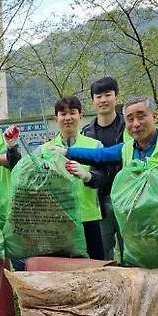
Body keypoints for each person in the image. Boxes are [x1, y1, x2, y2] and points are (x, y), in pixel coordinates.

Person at [59, 96, 158, 185]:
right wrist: (66, 151)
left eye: (141, 116)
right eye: (130, 119)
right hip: (138, 224)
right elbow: (99, 155)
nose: (136, 124)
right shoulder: (126, 149)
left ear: (154, 117)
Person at [41, 96, 105, 259]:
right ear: (56, 118)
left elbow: (103, 177)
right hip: (57, 221)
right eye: (63, 114)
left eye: (72, 113)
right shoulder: (45, 149)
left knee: (95, 270)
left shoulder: (95, 146)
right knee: (62, 272)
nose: (68, 117)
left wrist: (87, 176)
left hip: (88, 218)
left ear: (80, 116)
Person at [81, 77, 127, 260]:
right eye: (98, 96)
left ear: (116, 96)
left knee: (131, 251)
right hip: (99, 201)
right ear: (93, 101)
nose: (103, 100)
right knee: (102, 256)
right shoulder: (87, 132)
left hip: (127, 199)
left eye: (108, 95)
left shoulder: (129, 127)